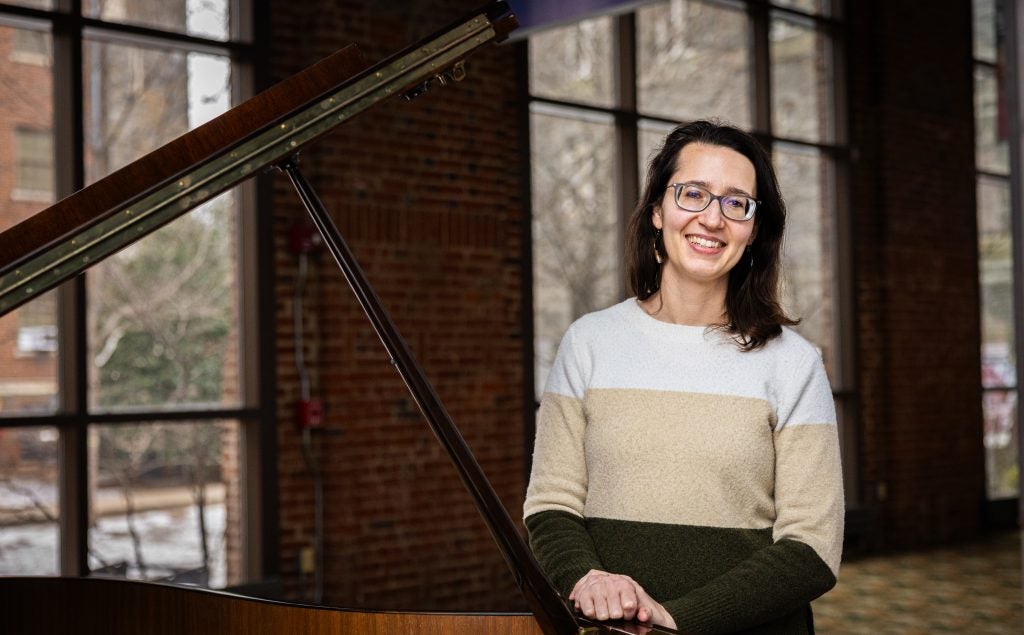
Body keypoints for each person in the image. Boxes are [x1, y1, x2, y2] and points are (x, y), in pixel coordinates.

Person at [523, 120, 844, 634]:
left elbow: (813, 546)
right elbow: (551, 503)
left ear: (754, 229)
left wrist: (677, 620)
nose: (712, 218)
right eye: (693, 194)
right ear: (657, 210)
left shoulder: (793, 362)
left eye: (736, 203)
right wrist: (586, 579)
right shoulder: (589, 342)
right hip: (614, 632)